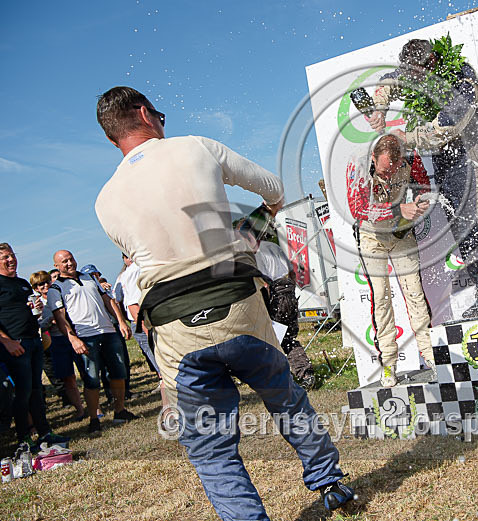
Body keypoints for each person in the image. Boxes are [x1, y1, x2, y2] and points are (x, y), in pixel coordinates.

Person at [93, 86, 354, 520]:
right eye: (160, 116)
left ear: (110, 137)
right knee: (285, 398)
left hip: (174, 325)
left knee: (209, 445)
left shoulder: (104, 201)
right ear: (145, 114)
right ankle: (330, 481)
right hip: (236, 300)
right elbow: (272, 188)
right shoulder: (196, 146)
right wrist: (266, 212)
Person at [369, 38, 478, 318]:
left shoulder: (462, 75)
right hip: (444, 155)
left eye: (417, 73)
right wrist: (379, 108)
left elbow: (449, 124)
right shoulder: (414, 71)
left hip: (471, 147)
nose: (413, 79)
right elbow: (388, 81)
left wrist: (408, 138)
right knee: (459, 223)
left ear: (431, 63)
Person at [346, 134, 436, 387]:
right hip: (371, 235)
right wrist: (397, 209)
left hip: (401, 231)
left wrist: (420, 201)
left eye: (394, 170)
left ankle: (431, 356)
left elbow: (424, 187)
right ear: (374, 157)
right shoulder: (358, 163)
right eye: (384, 170)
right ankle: (388, 364)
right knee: (381, 297)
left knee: (415, 293)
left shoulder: (411, 157)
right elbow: (357, 209)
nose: (388, 175)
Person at [0, 243, 69, 448]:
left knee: (37, 390)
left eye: (12, 255)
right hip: (14, 344)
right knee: (22, 393)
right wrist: (7, 342)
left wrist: (35, 308)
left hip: (33, 341)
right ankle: (24, 438)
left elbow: (25, 311)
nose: (11, 260)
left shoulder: (22, 283)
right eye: (6, 257)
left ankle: (45, 433)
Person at [47, 250, 137, 433]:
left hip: (108, 331)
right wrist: (72, 338)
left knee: (118, 372)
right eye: (64, 262)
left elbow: (108, 300)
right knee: (92, 379)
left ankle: (120, 411)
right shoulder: (56, 289)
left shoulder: (89, 278)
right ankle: (94, 419)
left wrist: (121, 322)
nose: (69, 263)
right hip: (85, 336)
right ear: (57, 266)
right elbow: (60, 316)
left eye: (71, 259)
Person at [235, 206, 317, 390]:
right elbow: (292, 274)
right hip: (289, 292)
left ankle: (278, 380)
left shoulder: (254, 254)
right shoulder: (274, 247)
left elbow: (263, 283)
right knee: (288, 338)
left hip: (274, 295)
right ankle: (306, 373)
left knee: (270, 340)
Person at [31, 270, 86, 421]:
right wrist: (49, 320)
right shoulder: (38, 305)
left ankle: (96, 407)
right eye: (40, 284)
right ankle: (80, 409)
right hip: (56, 341)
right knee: (68, 378)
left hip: (74, 335)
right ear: (36, 288)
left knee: (86, 372)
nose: (45, 285)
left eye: (47, 281)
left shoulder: (60, 293)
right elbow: (38, 326)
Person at [113, 253, 165, 398]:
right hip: (141, 321)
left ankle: (165, 380)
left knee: (156, 351)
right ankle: (163, 379)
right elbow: (127, 303)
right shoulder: (129, 273)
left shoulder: (138, 268)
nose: (129, 258)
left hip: (147, 320)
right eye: (126, 256)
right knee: (153, 352)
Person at [80, 263, 133, 401]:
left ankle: (125, 391)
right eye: (90, 275)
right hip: (96, 330)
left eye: (95, 274)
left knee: (121, 361)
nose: (94, 277)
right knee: (103, 366)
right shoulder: (85, 289)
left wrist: (121, 322)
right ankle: (110, 395)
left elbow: (113, 302)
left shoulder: (105, 288)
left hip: (112, 327)